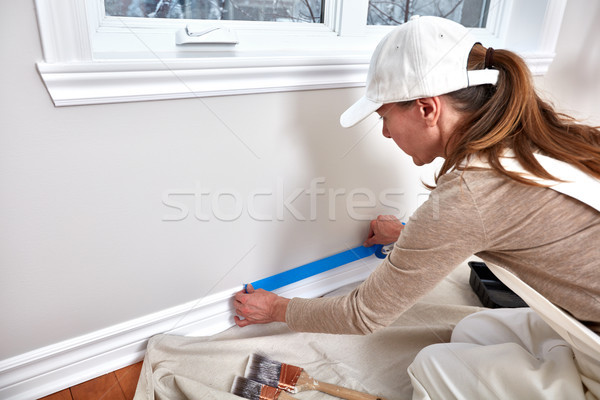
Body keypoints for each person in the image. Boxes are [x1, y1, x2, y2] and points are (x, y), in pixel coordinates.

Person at [233, 16, 600, 399]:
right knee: (474, 331)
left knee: (431, 365)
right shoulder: (535, 138)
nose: (387, 132)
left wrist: (276, 308)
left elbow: (363, 314)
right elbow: (504, 223)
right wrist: (411, 237)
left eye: (384, 117)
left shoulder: (470, 193)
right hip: (586, 316)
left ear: (427, 109)